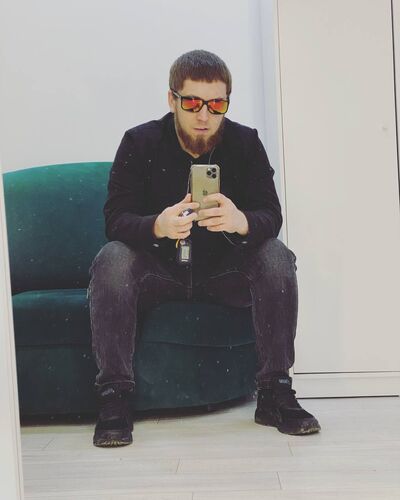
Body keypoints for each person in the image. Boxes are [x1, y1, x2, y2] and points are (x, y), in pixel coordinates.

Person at [88, 49, 320, 447]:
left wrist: (240, 221)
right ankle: (115, 398)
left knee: (276, 255)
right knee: (112, 259)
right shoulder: (139, 141)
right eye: (192, 102)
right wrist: (158, 225)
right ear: (172, 99)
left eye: (217, 104)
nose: (204, 115)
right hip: (160, 272)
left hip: (222, 273)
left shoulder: (245, 142)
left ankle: (275, 393)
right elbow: (115, 219)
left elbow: (271, 214)